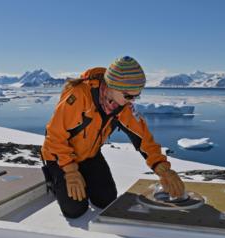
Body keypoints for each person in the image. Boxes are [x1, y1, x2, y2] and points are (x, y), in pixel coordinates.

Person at [41, 56, 184, 218]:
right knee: (74, 210)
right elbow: (54, 136)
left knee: (106, 200)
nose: (132, 101)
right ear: (112, 86)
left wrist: (162, 168)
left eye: (136, 96)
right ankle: (56, 180)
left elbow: (144, 139)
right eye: (128, 96)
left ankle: (84, 177)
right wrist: (70, 171)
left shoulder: (122, 106)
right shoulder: (79, 96)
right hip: (60, 157)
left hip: (89, 155)